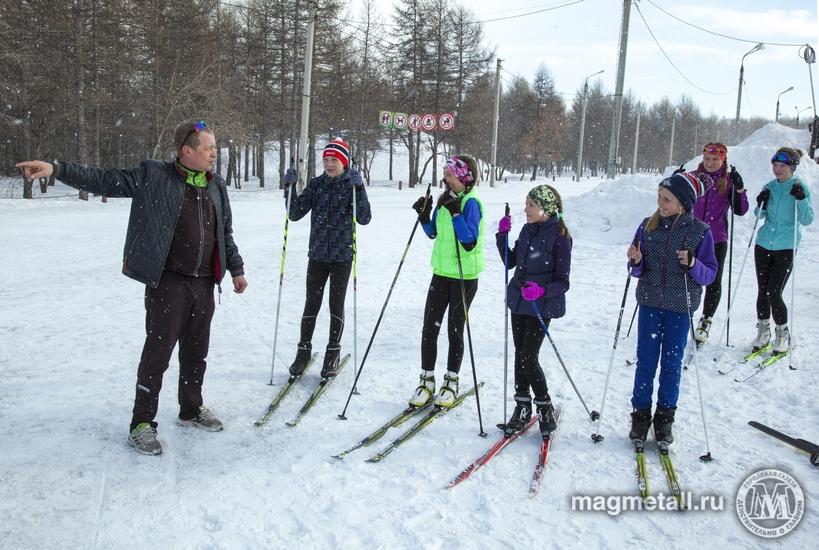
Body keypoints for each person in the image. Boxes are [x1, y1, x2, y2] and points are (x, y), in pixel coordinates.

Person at [17, 121, 248, 456]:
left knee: (197, 352)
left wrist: (236, 268)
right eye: (208, 148)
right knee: (157, 355)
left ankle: (191, 408)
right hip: (168, 282)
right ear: (187, 150)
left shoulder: (216, 186)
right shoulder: (154, 176)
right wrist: (57, 169)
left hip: (204, 284)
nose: (215, 154)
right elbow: (103, 178)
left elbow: (225, 232)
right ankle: (141, 424)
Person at [626, 173, 717, 444]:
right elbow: (635, 269)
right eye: (659, 197)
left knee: (671, 365)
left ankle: (664, 420)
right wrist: (637, 260)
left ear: (684, 203)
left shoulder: (700, 231)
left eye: (667, 199)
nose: (660, 203)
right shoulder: (647, 227)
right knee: (646, 362)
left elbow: (709, 275)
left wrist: (692, 264)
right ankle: (640, 417)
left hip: (680, 307)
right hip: (650, 304)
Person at [284, 138, 372, 378]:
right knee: (311, 304)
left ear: (343, 162)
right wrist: (289, 189)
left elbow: (364, 218)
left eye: (334, 160)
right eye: (326, 160)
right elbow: (294, 213)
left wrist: (360, 189)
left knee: (336, 306)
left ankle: (332, 353)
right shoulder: (316, 185)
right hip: (318, 255)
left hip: (342, 257)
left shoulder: (351, 186)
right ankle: (303, 352)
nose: (330, 164)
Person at [408, 156, 485, 408]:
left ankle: (451, 381)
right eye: (444, 174)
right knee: (429, 326)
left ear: (465, 178)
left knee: (454, 328)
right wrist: (424, 215)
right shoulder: (444, 200)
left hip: (464, 276)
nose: (445, 178)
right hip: (441, 273)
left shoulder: (471, 203)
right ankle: (426, 380)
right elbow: (433, 233)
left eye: (450, 174)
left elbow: (469, 241)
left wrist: (455, 213)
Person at [495, 185, 571, 439]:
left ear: (546, 208)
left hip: (540, 304)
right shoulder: (528, 230)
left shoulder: (561, 238)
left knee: (528, 356)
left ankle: (544, 407)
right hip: (519, 299)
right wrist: (502, 236)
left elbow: (563, 281)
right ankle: (522, 407)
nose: (526, 209)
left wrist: (541, 291)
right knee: (520, 355)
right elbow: (511, 261)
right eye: (526, 203)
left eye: (531, 204)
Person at [750, 147, 814, 354]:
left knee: (774, 291)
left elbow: (807, 219)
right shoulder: (770, 186)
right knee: (762, 290)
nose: (777, 169)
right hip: (764, 243)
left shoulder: (800, 187)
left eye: (782, 166)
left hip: (786, 245)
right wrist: (761, 201)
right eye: (775, 165)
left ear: (792, 167)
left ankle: (782, 332)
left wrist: (801, 199)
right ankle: (763, 331)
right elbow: (759, 215)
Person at [685, 143, 749, 344]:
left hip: (717, 238)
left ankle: (706, 320)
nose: (710, 163)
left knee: (713, 280)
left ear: (723, 161)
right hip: (691, 235)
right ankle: (683, 313)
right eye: (707, 159)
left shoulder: (728, 181)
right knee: (686, 276)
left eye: (715, 159)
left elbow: (740, 211)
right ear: (702, 159)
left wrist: (739, 189)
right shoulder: (692, 177)